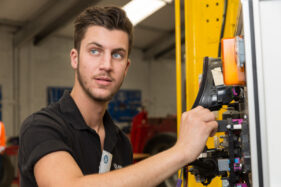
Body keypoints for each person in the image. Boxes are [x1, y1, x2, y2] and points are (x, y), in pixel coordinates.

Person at [18, 6, 218, 187]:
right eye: (95, 51)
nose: (106, 64)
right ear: (75, 58)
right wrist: (181, 151)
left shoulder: (121, 142)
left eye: (117, 55)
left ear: (126, 67)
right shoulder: (41, 127)